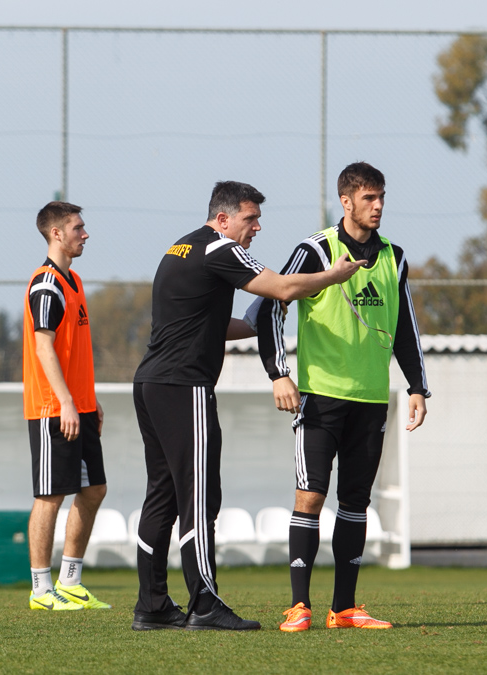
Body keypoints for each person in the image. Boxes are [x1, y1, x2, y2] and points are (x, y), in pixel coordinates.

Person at [131, 181, 363, 632]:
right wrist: (332, 277)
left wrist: (257, 323)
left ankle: (152, 605)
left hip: (152, 383)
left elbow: (210, 325)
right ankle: (204, 604)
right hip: (184, 386)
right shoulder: (221, 248)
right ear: (223, 219)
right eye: (250, 218)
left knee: (162, 495)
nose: (257, 227)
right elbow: (284, 287)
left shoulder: (180, 248)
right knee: (199, 497)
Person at [250, 162, 431, 632]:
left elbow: (405, 328)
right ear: (346, 201)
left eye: (381, 197)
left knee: (355, 501)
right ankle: (299, 606)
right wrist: (279, 374)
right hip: (320, 397)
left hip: (371, 399)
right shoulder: (315, 250)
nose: (378, 205)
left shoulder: (394, 257)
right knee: (310, 496)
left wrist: (417, 386)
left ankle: (344, 608)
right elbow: (271, 307)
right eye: (369, 198)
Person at [22, 201, 111, 611]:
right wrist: (66, 402)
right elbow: (44, 348)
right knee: (50, 496)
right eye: (78, 227)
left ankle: (70, 582)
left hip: (79, 407)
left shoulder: (72, 280)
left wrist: (88, 401)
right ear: (56, 233)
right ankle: (42, 590)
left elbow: (72, 352)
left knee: (94, 490)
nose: (85, 234)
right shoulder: (47, 284)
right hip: (52, 410)